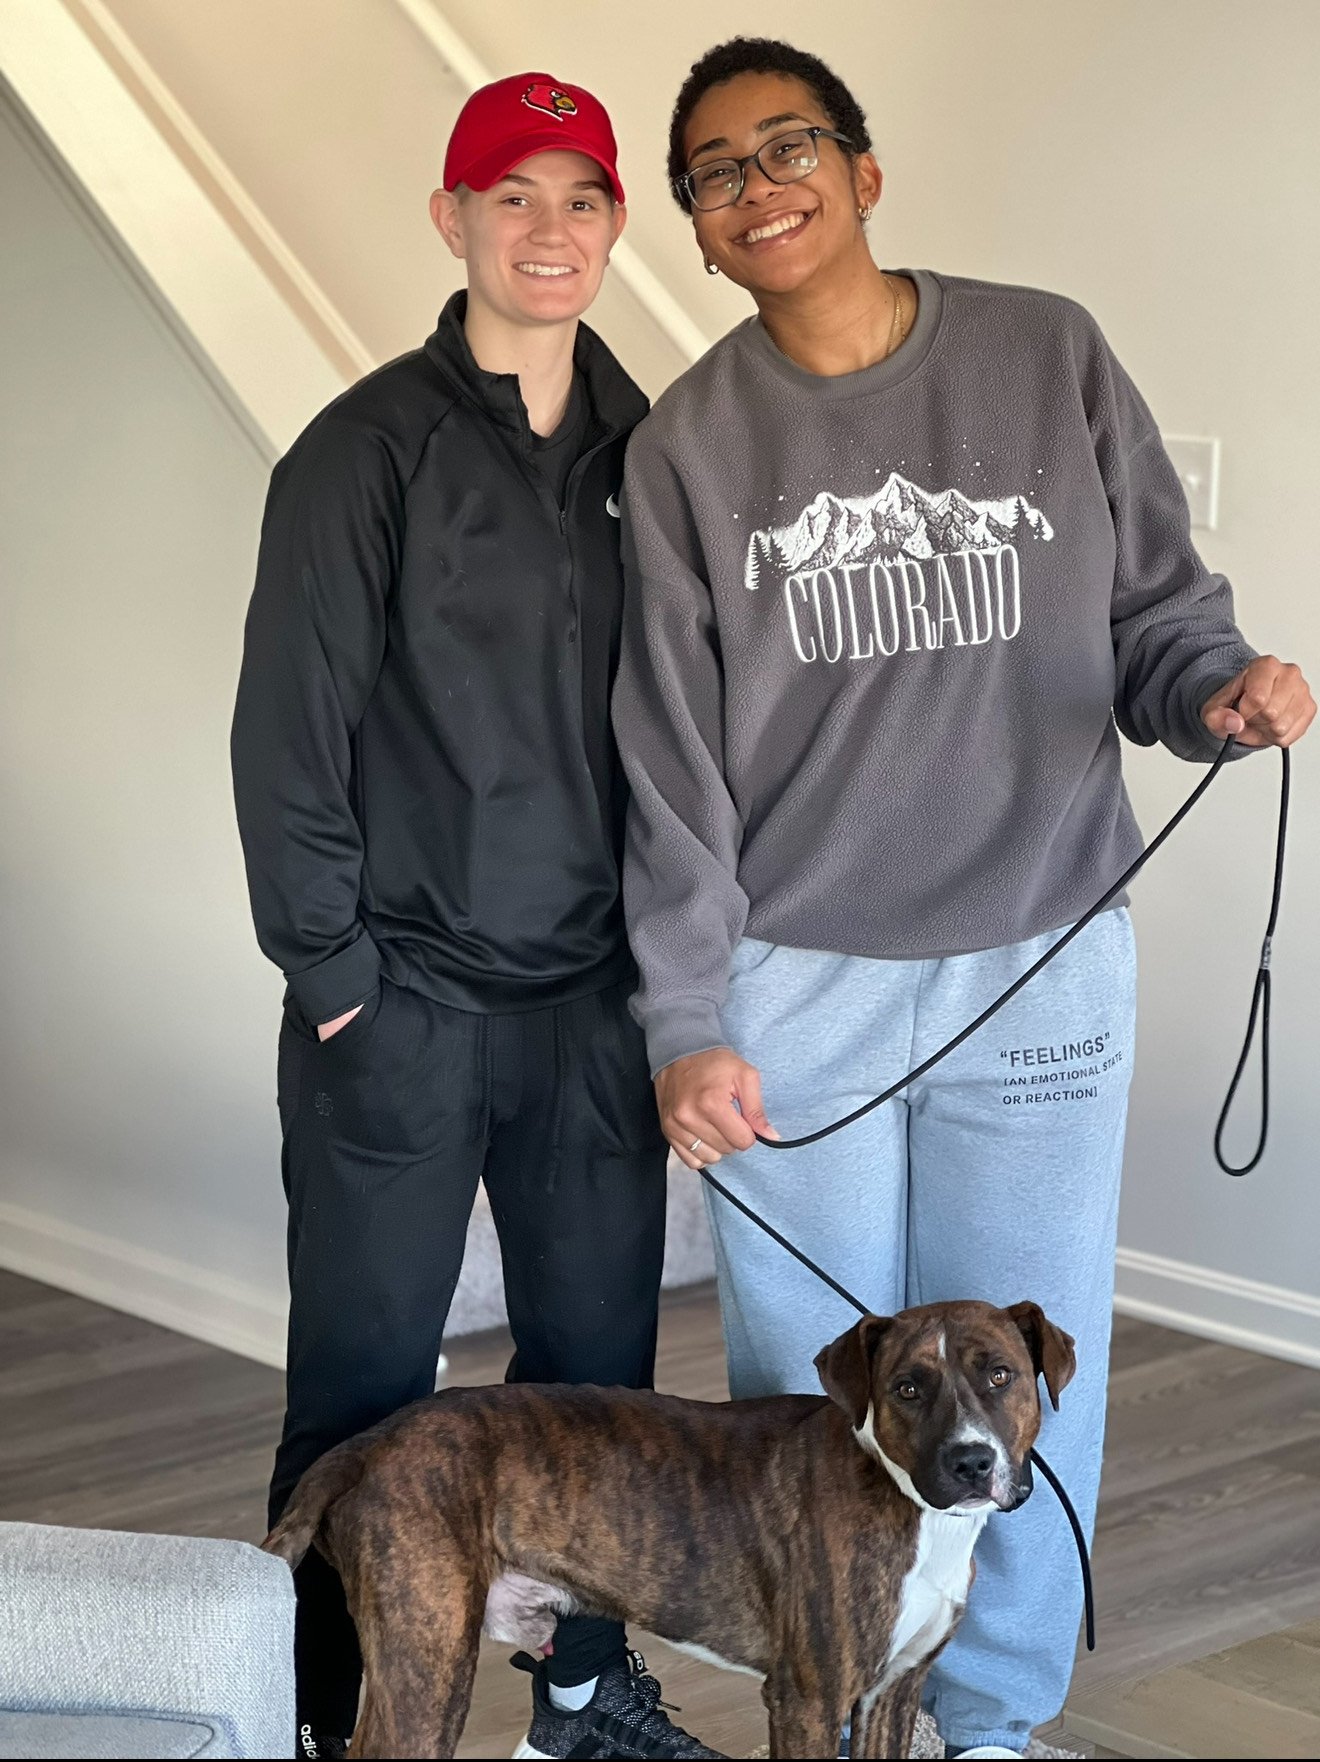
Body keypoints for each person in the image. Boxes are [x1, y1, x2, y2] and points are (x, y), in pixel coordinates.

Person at [612, 35, 1315, 1762]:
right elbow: (672, 757)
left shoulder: (1045, 349)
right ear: (698, 229)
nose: (758, 184)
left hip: (1045, 956)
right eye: (716, 170)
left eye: (791, 147)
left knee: (1019, 1390)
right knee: (826, 1404)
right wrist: (686, 1017)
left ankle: (990, 1724)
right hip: (802, 980)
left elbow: (1159, 610)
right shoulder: (689, 447)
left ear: (862, 170)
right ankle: (846, 1713)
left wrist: (1216, 689)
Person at [233, 73, 718, 1762]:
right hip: (405, 1011)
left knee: (600, 1399)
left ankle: (579, 1698)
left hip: (595, 1008)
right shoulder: (363, 452)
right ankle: (310, 1706)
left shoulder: (657, 450)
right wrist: (338, 979)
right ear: (450, 219)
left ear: (613, 228)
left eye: (581, 196)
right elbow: (287, 739)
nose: (548, 228)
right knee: (365, 1394)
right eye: (510, 194)